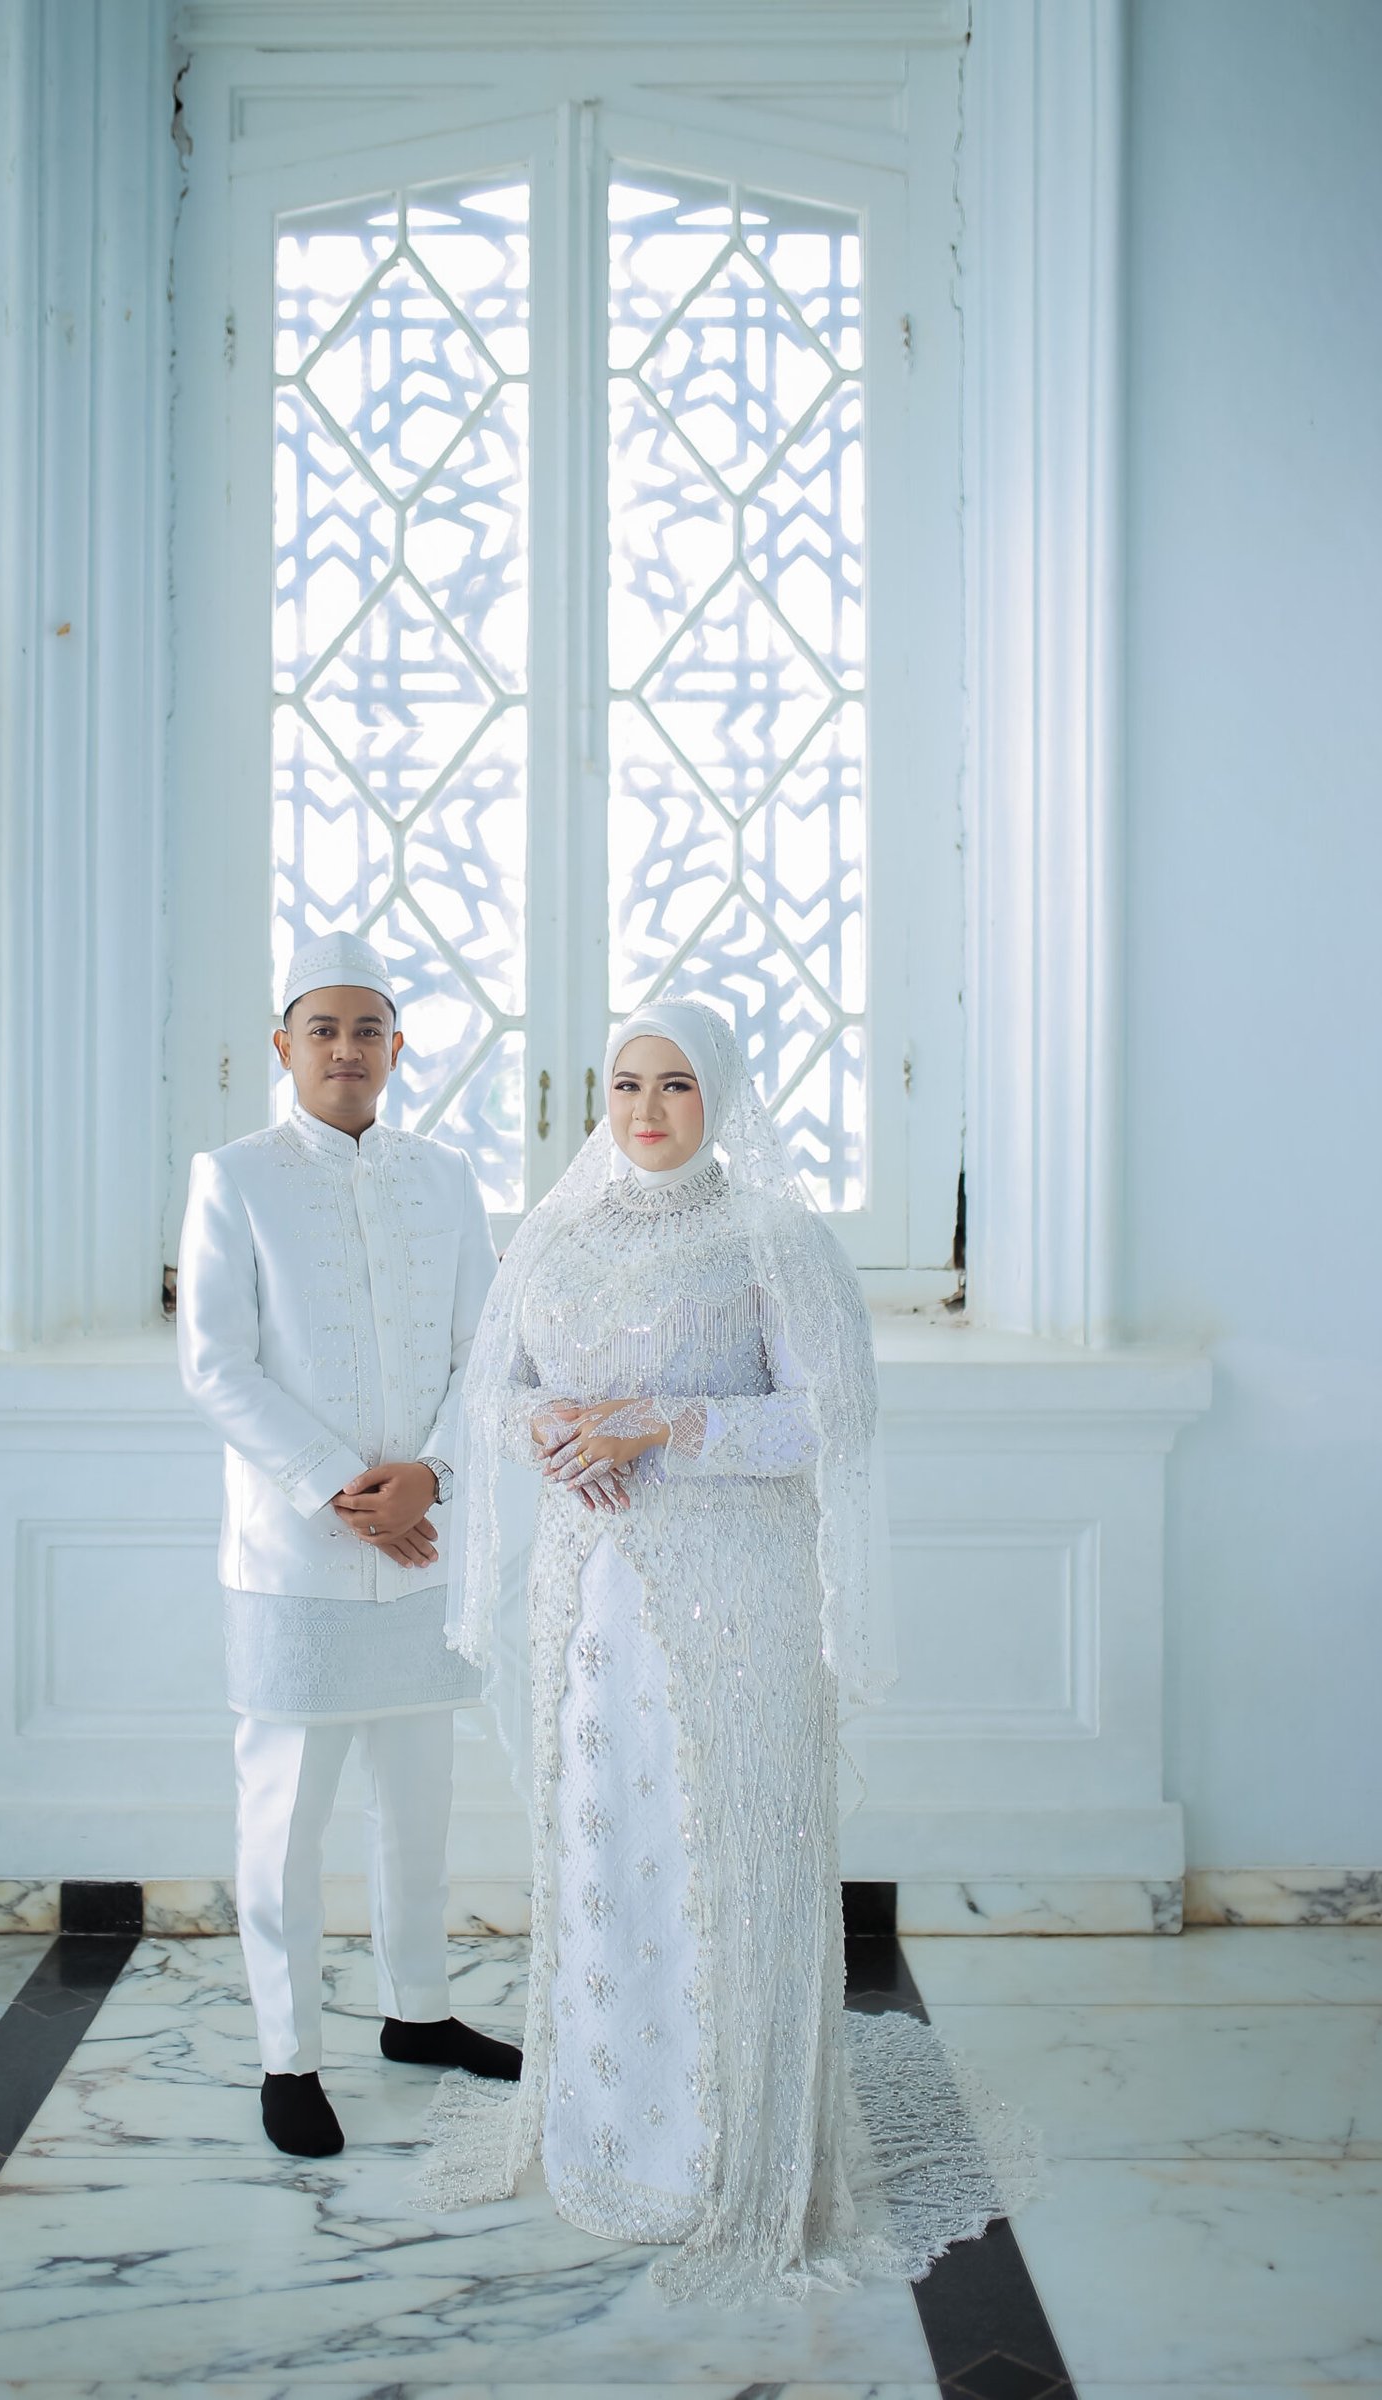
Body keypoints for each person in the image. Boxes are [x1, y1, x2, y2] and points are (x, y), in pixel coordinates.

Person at [421, 998, 1039, 2304]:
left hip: (739, 1607)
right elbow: (491, 1392)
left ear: (721, 1096)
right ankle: (605, 2145)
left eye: (676, 1084)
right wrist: (561, 1431)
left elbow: (834, 1416)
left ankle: (728, 2157)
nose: (646, 1109)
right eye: (626, 1084)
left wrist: (657, 1423)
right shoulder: (557, 1234)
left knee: (731, 1853)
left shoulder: (774, 1237)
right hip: (589, 1608)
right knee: (605, 1850)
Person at [176, 930, 521, 2160]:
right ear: (283, 1046)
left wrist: (431, 1476)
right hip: (297, 1554)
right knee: (284, 1819)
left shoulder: (445, 1178)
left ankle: (418, 2013)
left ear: (397, 1048)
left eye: (367, 1029)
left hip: (425, 1546)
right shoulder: (234, 1177)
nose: (345, 1049)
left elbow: (489, 1354)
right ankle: (289, 2055)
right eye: (321, 1029)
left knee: (418, 1802)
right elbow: (215, 1364)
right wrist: (341, 1485)